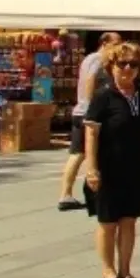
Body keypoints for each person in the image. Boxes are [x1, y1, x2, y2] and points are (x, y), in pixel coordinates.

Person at [83, 41, 140, 278]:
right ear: (110, 66)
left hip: (136, 167)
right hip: (109, 167)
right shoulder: (104, 95)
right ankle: (108, 271)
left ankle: (126, 270)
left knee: (129, 220)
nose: (127, 69)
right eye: (122, 63)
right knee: (108, 222)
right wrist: (91, 168)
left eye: (133, 64)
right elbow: (91, 133)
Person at [59, 32, 120, 211]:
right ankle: (76, 194)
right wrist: (92, 106)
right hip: (87, 113)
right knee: (86, 154)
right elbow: (90, 80)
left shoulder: (92, 58)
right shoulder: (97, 58)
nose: (118, 46)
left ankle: (68, 194)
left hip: (83, 112)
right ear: (104, 43)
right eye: (115, 43)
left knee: (79, 154)